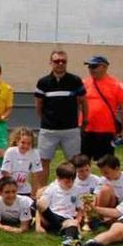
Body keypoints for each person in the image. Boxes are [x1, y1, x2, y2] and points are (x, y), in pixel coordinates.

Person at [35, 50, 88, 190]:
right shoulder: (43, 82)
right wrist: (47, 120)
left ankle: (73, 191)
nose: (60, 63)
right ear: (50, 62)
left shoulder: (75, 81)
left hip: (70, 129)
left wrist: (85, 120)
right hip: (48, 130)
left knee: (74, 162)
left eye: (63, 61)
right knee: (43, 161)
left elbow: (83, 102)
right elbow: (39, 105)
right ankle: (41, 192)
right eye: (56, 61)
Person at [81, 55, 123, 160]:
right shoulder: (84, 83)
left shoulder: (116, 85)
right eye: (89, 66)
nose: (91, 69)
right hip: (85, 130)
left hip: (106, 131)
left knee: (106, 163)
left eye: (94, 66)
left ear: (104, 67)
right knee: (81, 163)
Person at [36, 161, 83, 246]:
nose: (70, 184)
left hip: (66, 219)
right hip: (51, 216)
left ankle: (69, 239)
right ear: (58, 178)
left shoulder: (76, 190)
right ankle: (69, 232)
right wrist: (38, 225)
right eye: (67, 182)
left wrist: (78, 220)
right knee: (40, 202)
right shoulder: (52, 189)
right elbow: (40, 208)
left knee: (72, 223)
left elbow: (80, 208)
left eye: (73, 181)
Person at [0, 127, 42, 199]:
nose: (25, 146)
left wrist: (33, 195)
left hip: (25, 190)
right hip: (10, 189)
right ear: (17, 141)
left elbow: (36, 175)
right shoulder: (10, 152)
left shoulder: (35, 153)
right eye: (23, 142)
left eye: (28, 143)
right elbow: (6, 173)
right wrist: (13, 192)